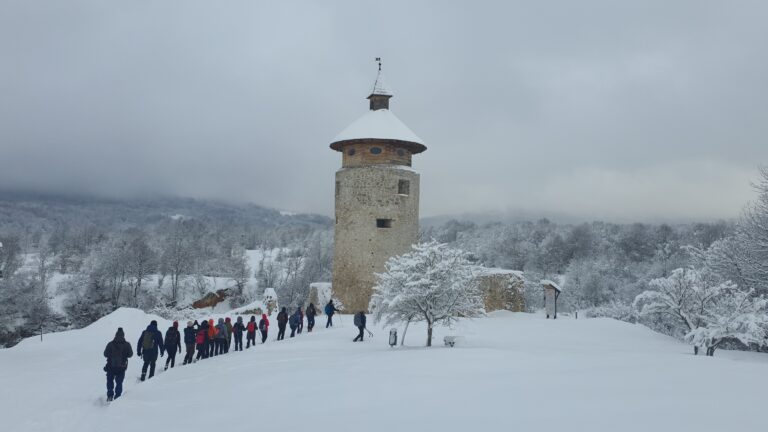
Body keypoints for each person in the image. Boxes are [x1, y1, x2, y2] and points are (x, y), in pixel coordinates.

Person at [103, 327, 133, 401]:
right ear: (123, 335)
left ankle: (110, 396)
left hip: (110, 366)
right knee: (119, 382)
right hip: (121, 367)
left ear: (116, 335)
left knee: (110, 381)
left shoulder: (110, 344)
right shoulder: (127, 344)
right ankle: (117, 397)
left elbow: (105, 354)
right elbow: (130, 355)